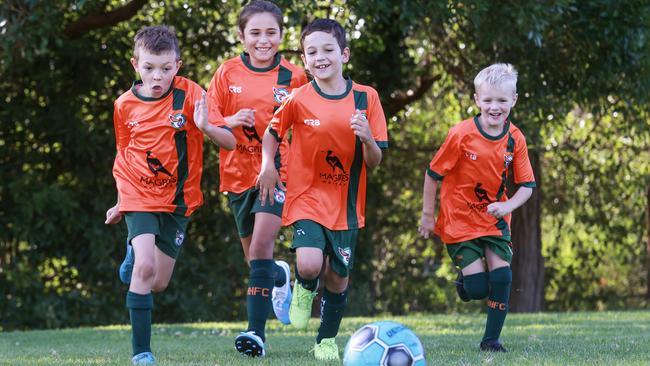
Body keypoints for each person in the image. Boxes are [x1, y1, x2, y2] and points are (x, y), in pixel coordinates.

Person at [257, 18, 388, 361]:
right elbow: (272, 133)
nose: (320, 57)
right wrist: (268, 166)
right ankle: (302, 285)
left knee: (338, 278)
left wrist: (368, 139)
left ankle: (326, 339)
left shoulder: (366, 98)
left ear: (344, 53)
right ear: (305, 59)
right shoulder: (299, 98)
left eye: (328, 50)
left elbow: (375, 161)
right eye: (311, 52)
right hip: (306, 196)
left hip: (346, 205)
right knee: (313, 264)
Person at [105, 25, 235, 365]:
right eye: (148, 68)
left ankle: (133, 257)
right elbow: (124, 153)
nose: (156, 76)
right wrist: (122, 200)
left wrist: (206, 127)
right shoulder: (123, 105)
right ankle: (142, 354)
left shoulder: (192, 94)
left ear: (177, 65)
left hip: (178, 201)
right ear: (135, 64)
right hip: (137, 193)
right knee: (146, 269)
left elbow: (230, 142)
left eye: (165, 68)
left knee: (157, 281)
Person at [205, 0, 309, 357]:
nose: (263, 40)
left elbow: (310, 123)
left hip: (278, 174)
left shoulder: (295, 77)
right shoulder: (227, 73)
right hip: (236, 176)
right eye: (255, 33)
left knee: (263, 246)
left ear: (282, 35)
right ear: (241, 36)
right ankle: (279, 277)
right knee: (255, 260)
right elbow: (209, 120)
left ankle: (255, 333)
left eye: (271, 32)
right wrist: (232, 122)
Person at [418, 63, 536, 353]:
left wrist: (507, 205)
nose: (494, 107)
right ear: (476, 100)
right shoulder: (461, 134)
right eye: (488, 100)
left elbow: (527, 186)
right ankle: (466, 282)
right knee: (478, 289)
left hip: (494, 222)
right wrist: (427, 216)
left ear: (514, 100)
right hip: (458, 221)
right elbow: (433, 174)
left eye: (501, 100)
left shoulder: (515, 139)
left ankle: (491, 341)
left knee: (502, 276)